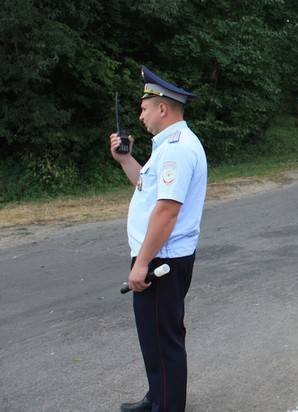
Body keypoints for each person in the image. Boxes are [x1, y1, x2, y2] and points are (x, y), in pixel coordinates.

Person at [110, 66, 207, 412]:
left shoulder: (177, 150)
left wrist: (142, 263)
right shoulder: (167, 146)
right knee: (155, 338)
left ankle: (166, 405)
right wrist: (125, 160)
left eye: (144, 108)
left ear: (162, 108)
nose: (141, 115)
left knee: (163, 342)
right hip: (157, 257)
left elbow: (166, 213)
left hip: (160, 262)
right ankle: (157, 396)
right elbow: (147, 189)